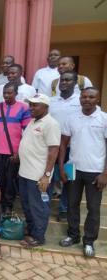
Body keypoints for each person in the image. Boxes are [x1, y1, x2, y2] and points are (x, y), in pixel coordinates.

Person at [59, 87, 107, 258]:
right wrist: (62, 167)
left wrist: (105, 174)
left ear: (98, 99)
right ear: (80, 98)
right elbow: (63, 144)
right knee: (72, 204)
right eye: (84, 96)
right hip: (73, 168)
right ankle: (73, 235)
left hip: (96, 171)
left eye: (91, 97)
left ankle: (89, 241)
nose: (87, 99)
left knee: (93, 208)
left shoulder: (104, 119)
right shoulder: (72, 118)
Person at [18, 94, 60, 248]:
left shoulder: (51, 124)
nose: (32, 108)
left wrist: (47, 176)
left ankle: (38, 237)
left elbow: (53, 150)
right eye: (31, 104)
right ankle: (31, 232)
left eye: (36, 105)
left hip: (38, 176)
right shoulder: (32, 121)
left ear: (46, 106)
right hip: (24, 173)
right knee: (27, 205)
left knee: (39, 207)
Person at [0, 82, 31, 214]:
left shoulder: (24, 108)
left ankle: (8, 205)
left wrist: (19, 153)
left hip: (14, 152)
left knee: (11, 180)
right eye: (5, 93)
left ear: (16, 93)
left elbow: (27, 132)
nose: (6, 95)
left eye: (10, 92)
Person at [49, 71, 82, 222]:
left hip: (71, 147)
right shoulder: (52, 101)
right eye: (62, 80)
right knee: (48, 176)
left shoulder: (80, 101)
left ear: (75, 83)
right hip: (51, 145)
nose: (64, 82)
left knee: (68, 178)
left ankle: (64, 209)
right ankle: (45, 205)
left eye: (68, 80)